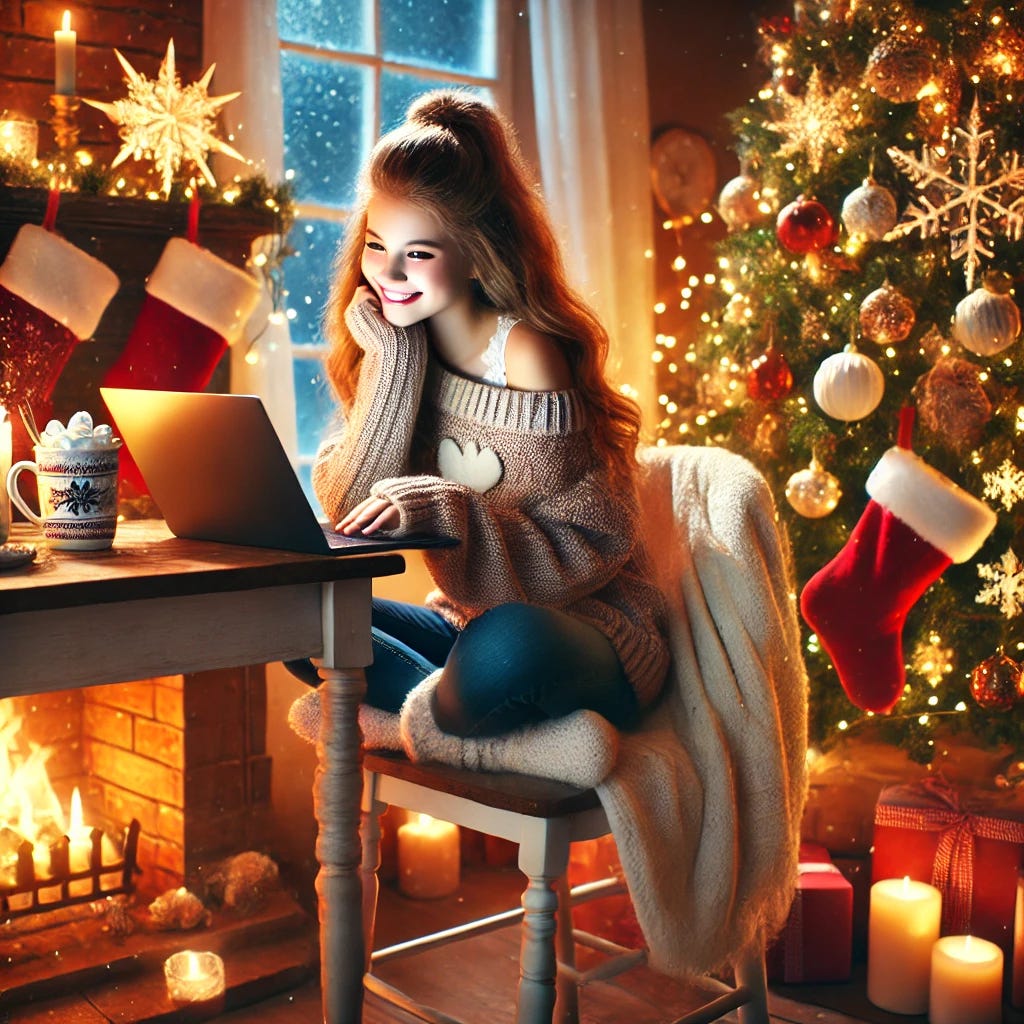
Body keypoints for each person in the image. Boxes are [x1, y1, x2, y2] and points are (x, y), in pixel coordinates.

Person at [293, 89, 669, 739]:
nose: (389, 273)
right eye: (378, 246)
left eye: (420, 253)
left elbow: (591, 541)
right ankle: (458, 718)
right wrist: (395, 364)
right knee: (297, 615)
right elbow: (352, 507)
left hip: (586, 632)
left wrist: (447, 509)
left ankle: (437, 714)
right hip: (469, 625)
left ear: (474, 251)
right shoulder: (404, 344)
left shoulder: (527, 353)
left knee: (508, 641)